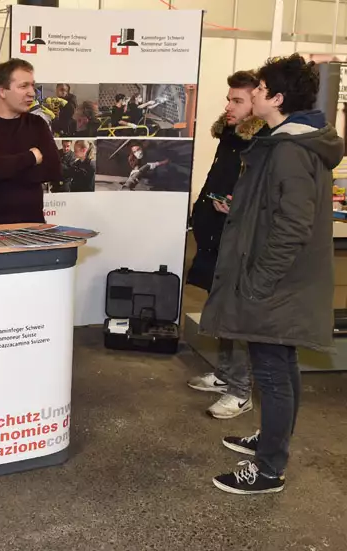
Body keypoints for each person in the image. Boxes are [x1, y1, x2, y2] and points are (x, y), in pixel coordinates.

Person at [202, 53, 343, 494]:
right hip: (283, 281)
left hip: (278, 283)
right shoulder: (289, 142)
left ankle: (268, 469)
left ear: (277, 98)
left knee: (272, 373)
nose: (255, 94)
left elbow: (293, 226)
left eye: (260, 89)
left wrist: (259, 281)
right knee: (282, 365)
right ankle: (272, 440)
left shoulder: (290, 150)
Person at [187, 70, 267, 420]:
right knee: (219, 309)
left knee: (234, 315)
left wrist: (239, 206)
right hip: (214, 235)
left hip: (237, 238)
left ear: (256, 102)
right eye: (228, 99)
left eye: (238, 100)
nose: (229, 106)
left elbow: (262, 195)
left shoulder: (262, 142)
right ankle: (225, 375)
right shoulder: (231, 137)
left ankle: (240, 391)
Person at [0, 58, 62, 225]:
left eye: (32, 85)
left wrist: (0, 161)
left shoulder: (37, 124)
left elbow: (53, 170)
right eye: (23, 86)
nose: (32, 92)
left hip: (32, 227)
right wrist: (31, 157)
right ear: (2, 91)